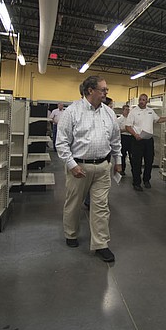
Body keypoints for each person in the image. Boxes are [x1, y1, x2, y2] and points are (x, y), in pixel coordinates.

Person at [56, 75, 122, 262]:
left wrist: (118, 161)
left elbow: (116, 140)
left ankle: (101, 243)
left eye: (106, 90)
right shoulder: (72, 112)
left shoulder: (108, 113)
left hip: (103, 167)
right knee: (74, 203)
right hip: (79, 167)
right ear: (90, 90)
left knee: (101, 206)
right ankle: (71, 234)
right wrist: (71, 165)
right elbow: (61, 143)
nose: (106, 93)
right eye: (103, 90)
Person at [124, 93, 166, 192]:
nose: (142, 101)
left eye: (144, 100)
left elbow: (158, 119)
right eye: (141, 100)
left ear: (147, 101)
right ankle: (136, 182)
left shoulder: (150, 111)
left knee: (149, 161)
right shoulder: (133, 112)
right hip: (137, 140)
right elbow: (128, 126)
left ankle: (146, 180)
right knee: (136, 162)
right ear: (139, 101)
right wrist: (135, 135)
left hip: (148, 140)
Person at [115, 104, 133, 175]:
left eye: (128, 110)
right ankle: (122, 169)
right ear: (123, 110)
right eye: (126, 110)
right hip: (123, 137)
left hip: (131, 137)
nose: (127, 111)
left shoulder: (131, 119)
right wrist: (125, 129)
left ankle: (134, 170)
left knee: (132, 155)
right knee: (123, 154)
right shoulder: (119, 120)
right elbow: (117, 130)